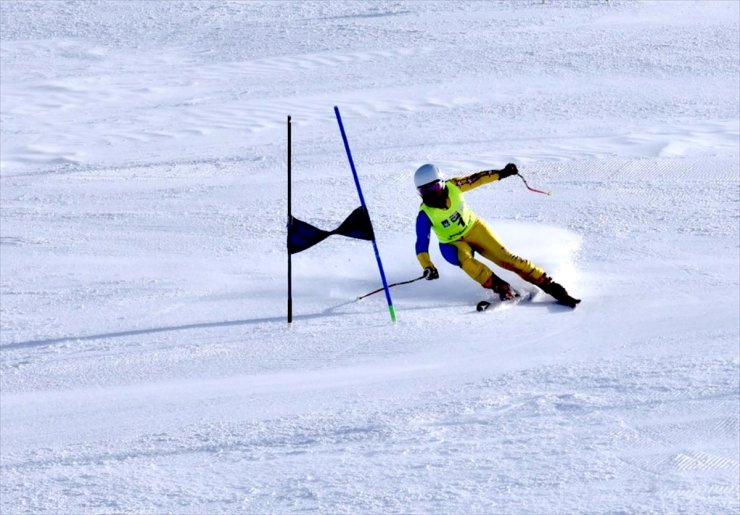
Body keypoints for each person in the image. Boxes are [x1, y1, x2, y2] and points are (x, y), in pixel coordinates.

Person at [414, 163, 581, 308]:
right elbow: (421, 243)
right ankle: (503, 289)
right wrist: (427, 266)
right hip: (452, 243)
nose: (431, 195)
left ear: (442, 183)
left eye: (434, 188)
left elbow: (478, 178)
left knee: (506, 258)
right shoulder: (425, 214)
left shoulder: (455, 186)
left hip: (474, 229)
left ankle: (551, 286)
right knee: (467, 261)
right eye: (424, 191)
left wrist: (502, 173)